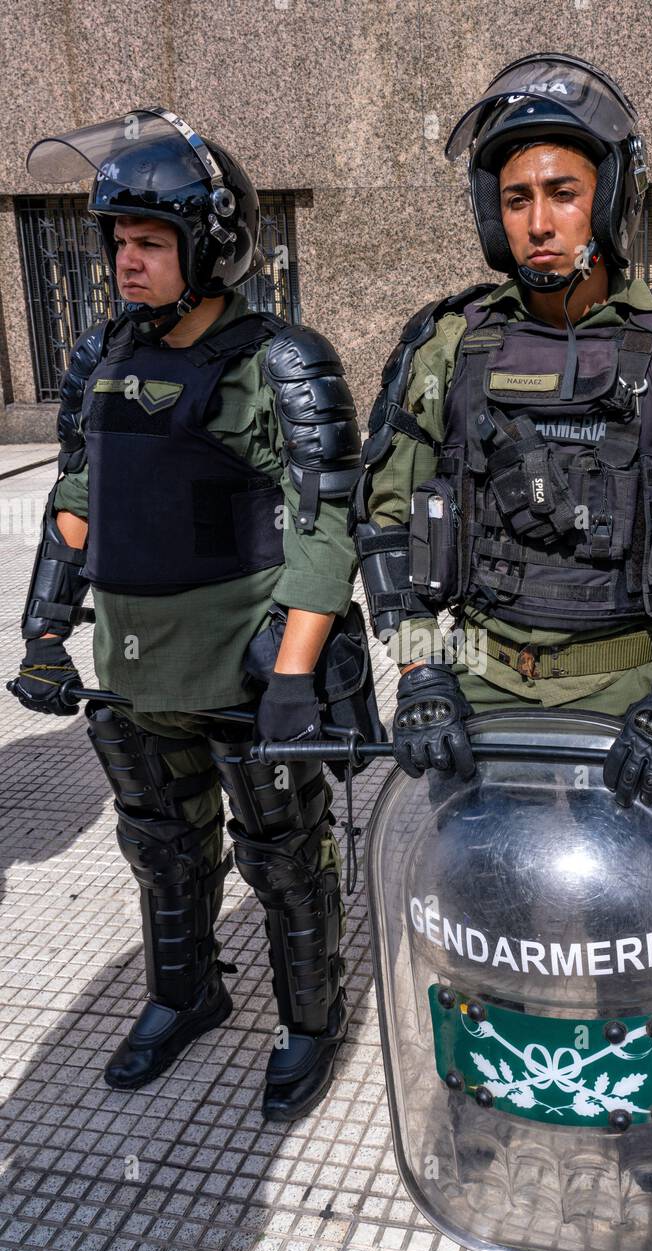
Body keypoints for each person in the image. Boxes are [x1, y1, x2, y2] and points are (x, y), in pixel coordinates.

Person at [9, 108, 361, 1121]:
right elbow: (77, 496)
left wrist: (296, 676)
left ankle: (310, 1018)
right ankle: (185, 992)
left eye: (150, 242)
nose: (127, 260)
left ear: (208, 244)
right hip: (132, 665)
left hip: (247, 668)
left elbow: (325, 526)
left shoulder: (283, 360)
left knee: (285, 858)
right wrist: (42, 632)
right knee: (161, 844)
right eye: (119, 241)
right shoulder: (98, 356)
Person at [351, 54, 652, 806]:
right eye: (516, 199)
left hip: (637, 692)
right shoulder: (448, 345)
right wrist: (419, 668)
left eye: (562, 194)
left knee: (644, 909)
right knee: (471, 905)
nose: (538, 222)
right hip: (477, 688)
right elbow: (387, 525)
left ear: (608, 201)